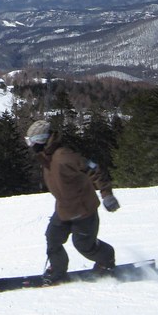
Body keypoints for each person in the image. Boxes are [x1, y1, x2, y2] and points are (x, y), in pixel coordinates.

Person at [24, 119, 120, 285]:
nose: (30, 145)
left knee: (84, 245)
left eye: (31, 141)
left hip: (83, 210)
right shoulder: (46, 156)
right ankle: (58, 269)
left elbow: (94, 168)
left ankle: (106, 260)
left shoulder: (64, 156)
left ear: (41, 140)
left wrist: (107, 194)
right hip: (64, 209)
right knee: (53, 237)